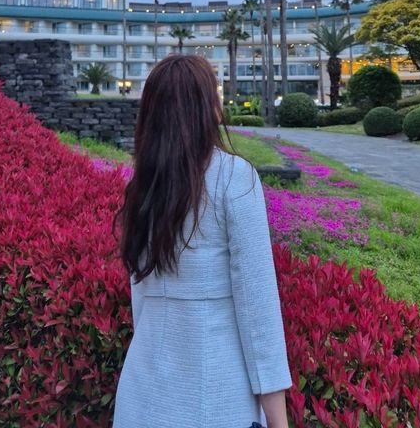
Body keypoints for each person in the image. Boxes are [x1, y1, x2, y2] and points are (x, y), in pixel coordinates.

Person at [112, 54, 292, 428]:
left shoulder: (143, 187)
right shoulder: (233, 177)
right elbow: (258, 310)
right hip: (214, 398)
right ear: (207, 107)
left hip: (141, 397)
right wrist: (279, 420)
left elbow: (140, 302)